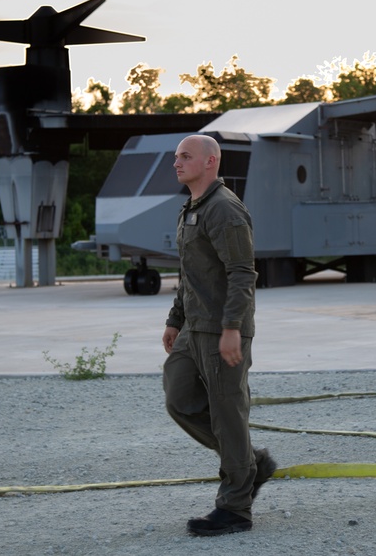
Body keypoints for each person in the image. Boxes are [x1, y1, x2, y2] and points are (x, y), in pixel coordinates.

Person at [162, 134, 277, 537]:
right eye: (176, 157)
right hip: (194, 328)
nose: (176, 163)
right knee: (179, 399)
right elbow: (188, 272)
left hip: (221, 330)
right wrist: (175, 319)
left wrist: (232, 329)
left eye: (185, 156)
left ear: (210, 162)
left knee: (228, 415)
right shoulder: (192, 207)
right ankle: (248, 465)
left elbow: (242, 272)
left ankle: (235, 509)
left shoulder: (225, 209)